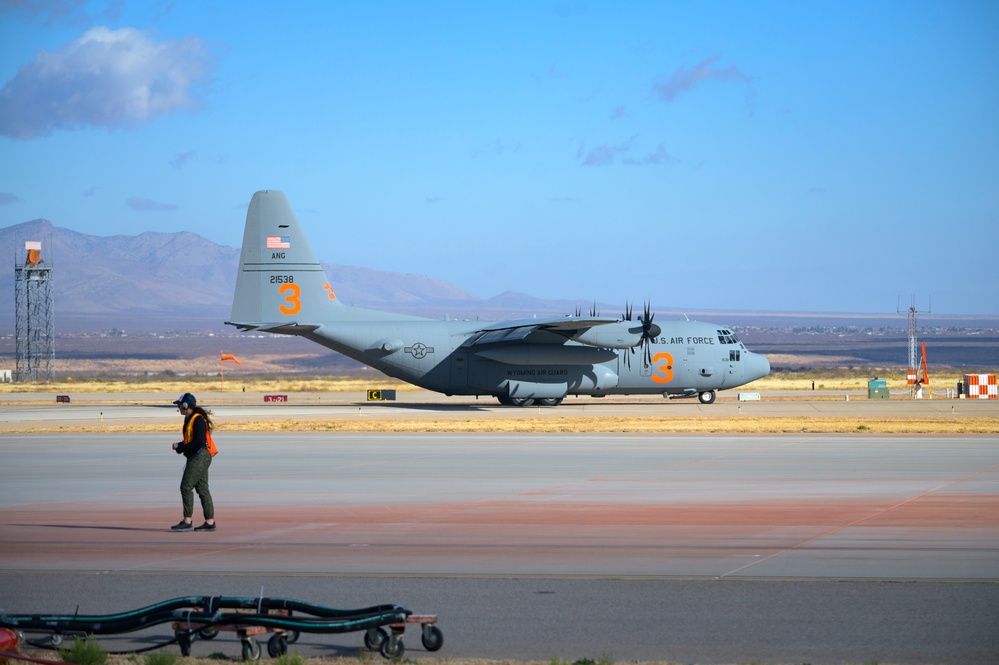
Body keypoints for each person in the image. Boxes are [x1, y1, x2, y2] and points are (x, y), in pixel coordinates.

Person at [170, 392, 216, 531]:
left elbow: (199, 442)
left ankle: (187, 521)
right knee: (202, 489)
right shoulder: (189, 419)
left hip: (200, 456)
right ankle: (209, 522)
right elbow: (190, 441)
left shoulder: (197, 420)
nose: (178, 407)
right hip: (199, 455)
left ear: (185, 405)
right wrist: (180, 446)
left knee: (185, 487)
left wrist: (181, 447)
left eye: (179, 405)